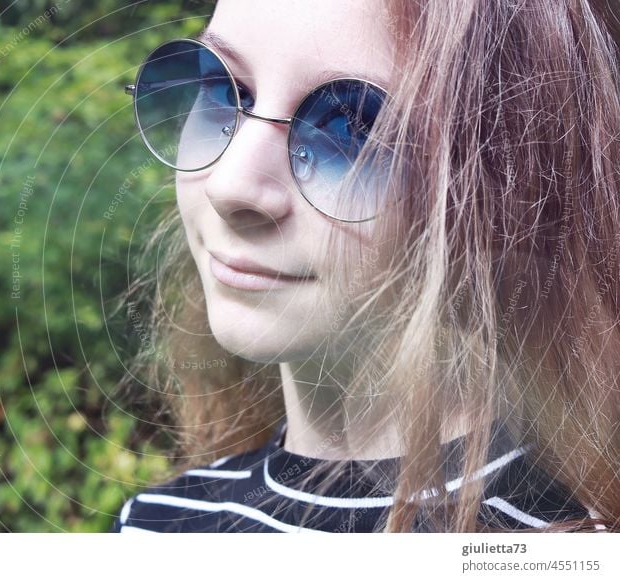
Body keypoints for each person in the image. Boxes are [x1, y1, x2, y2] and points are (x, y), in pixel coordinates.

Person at [110, 0, 620, 532]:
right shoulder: (156, 528)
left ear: (510, 196)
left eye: (352, 129)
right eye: (221, 90)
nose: (230, 186)